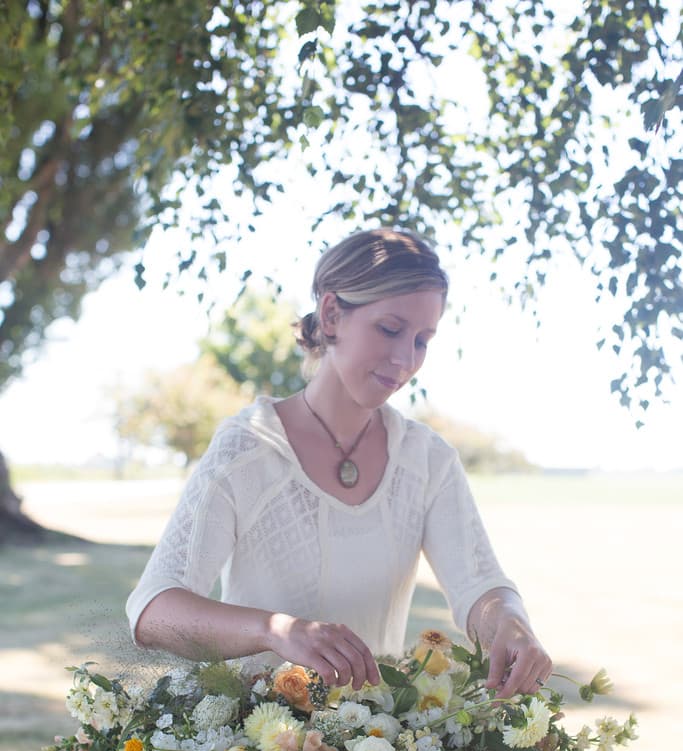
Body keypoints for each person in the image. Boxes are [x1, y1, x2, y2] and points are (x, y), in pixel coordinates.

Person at [126, 227, 551, 698]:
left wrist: (511, 623)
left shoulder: (428, 460)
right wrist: (275, 630)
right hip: (255, 738)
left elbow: (480, 587)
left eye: (422, 340)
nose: (405, 359)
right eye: (390, 329)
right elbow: (154, 611)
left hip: (384, 738)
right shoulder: (247, 449)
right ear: (331, 316)